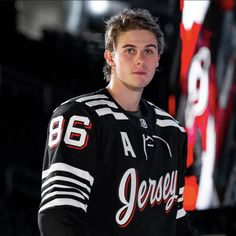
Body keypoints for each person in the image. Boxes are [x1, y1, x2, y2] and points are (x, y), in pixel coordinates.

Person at [38, 8, 199, 236]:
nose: (140, 59)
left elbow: (176, 221)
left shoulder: (172, 130)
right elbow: (59, 215)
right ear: (110, 57)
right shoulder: (80, 116)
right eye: (129, 50)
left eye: (148, 51)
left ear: (158, 59)